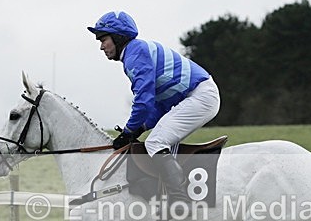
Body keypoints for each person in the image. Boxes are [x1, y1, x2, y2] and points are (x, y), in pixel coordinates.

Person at [87, 11, 220, 199]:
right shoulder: (136, 52)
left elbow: (144, 100)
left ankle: (179, 198)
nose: (101, 47)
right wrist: (139, 128)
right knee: (156, 140)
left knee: (155, 142)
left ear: (117, 37)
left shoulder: (134, 54)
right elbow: (159, 105)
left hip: (200, 96)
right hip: (199, 95)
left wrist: (128, 132)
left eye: (103, 39)